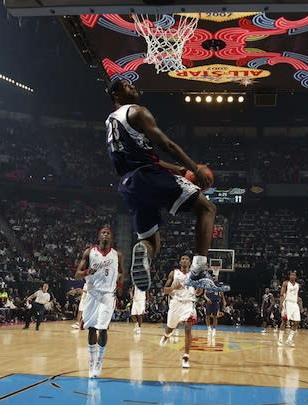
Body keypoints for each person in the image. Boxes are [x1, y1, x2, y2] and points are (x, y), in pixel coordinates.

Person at [105, 79, 228, 293]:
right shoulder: (137, 112)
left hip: (129, 185)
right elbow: (167, 145)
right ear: (116, 94)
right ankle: (198, 270)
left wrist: (179, 170)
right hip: (148, 176)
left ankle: (142, 251)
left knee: (152, 241)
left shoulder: (110, 122)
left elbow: (143, 157)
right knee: (208, 208)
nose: (133, 86)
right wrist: (194, 169)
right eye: (126, 85)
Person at [75, 227, 124, 378]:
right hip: (92, 294)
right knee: (91, 328)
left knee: (102, 328)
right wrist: (86, 272)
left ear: (111, 237)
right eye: (103, 232)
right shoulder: (89, 252)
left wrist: (120, 286)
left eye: (108, 233)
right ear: (99, 236)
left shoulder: (117, 255)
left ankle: (99, 361)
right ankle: (91, 360)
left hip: (108, 294)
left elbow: (121, 272)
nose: (105, 235)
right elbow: (77, 274)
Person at [159, 255, 201, 369]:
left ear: (190, 262)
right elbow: (164, 290)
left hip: (188, 304)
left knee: (188, 328)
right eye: (182, 258)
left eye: (187, 259)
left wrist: (200, 288)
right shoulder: (173, 273)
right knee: (170, 328)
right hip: (175, 303)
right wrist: (173, 287)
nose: (184, 260)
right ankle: (166, 335)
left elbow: (198, 293)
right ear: (179, 261)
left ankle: (186, 357)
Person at [278, 271, 302, 347]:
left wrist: (300, 305)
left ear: (296, 277)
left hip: (294, 304)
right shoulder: (285, 283)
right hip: (287, 302)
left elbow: (297, 296)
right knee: (284, 320)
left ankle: (289, 340)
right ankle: (280, 339)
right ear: (289, 276)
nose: (292, 276)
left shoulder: (298, 285)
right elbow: (282, 294)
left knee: (297, 321)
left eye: (294, 275)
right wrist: (281, 304)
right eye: (291, 275)